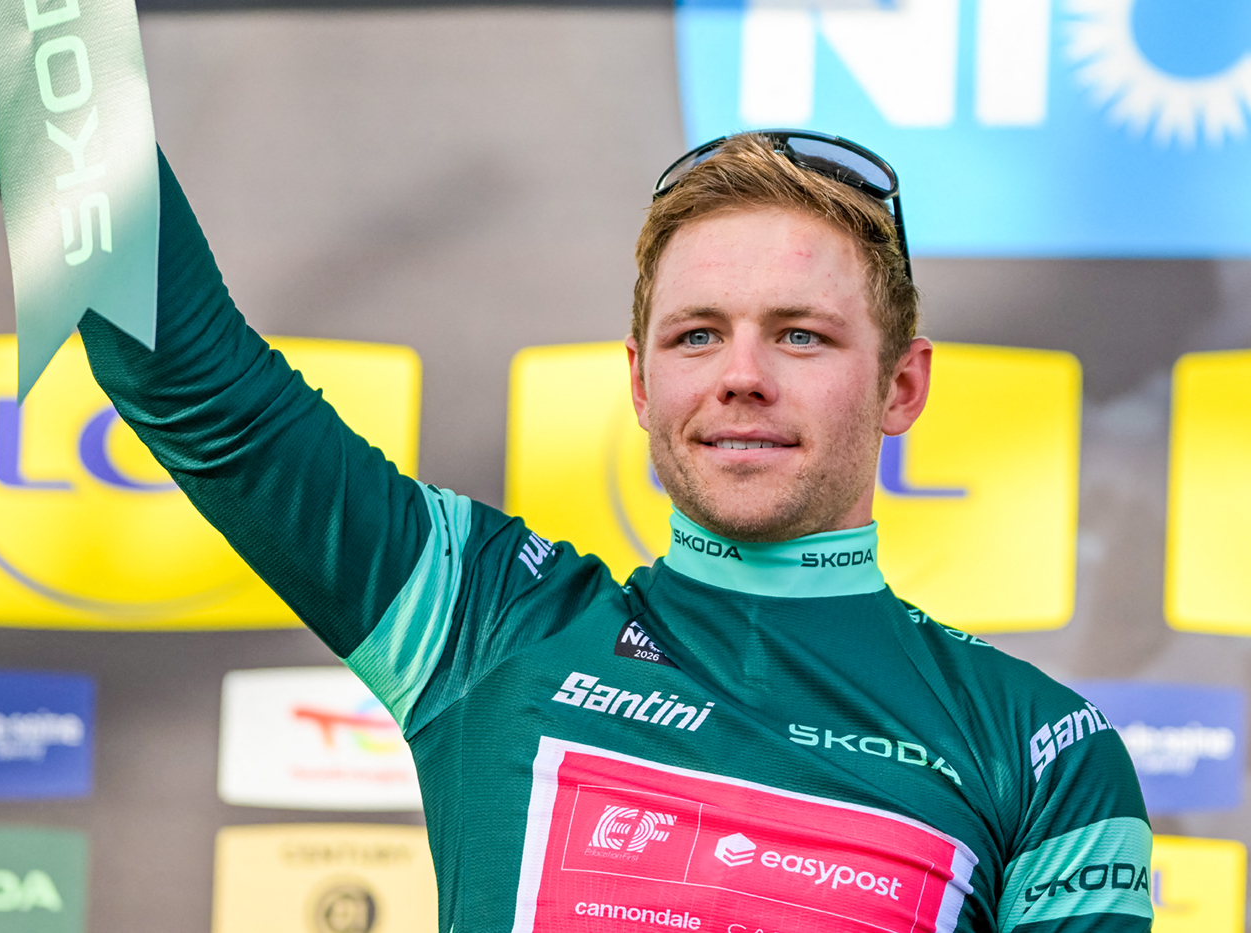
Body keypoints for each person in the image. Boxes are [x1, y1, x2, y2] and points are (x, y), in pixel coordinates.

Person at [78, 130, 1152, 932]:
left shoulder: (1042, 751)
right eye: (697, 335)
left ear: (900, 386)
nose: (741, 376)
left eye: (800, 335)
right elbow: (183, 372)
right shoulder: (487, 622)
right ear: (640, 383)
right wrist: (38, 32)